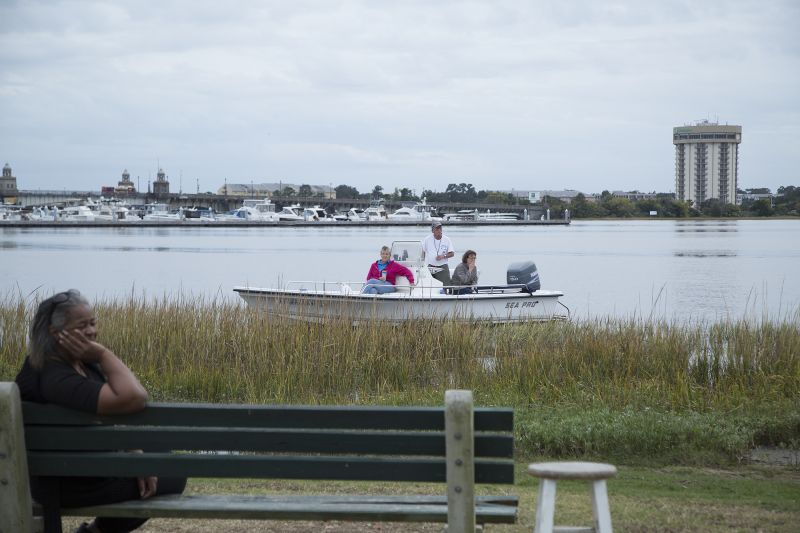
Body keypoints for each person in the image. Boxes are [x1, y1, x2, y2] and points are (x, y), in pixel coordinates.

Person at [15, 289, 186, 533]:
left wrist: (135, 453)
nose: (92, 332)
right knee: (174, 471)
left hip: (78, 471)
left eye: (93, 323)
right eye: (82, 326)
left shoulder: (71, 364)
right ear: (56, 333)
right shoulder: (55, 379)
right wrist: (103, 353)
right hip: (70, 484)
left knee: (162, 458)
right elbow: (135, 397)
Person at [422, 221, 455, 285]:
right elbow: (423, 252)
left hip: (443, 266)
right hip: (431, 266)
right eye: (437, 229)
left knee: (446, 286)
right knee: (428, 285)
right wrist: (422, 264)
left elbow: (452, 253)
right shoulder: (427, 239)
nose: (439, 230)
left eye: (440, 228)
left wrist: (443, 256)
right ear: (432, 231)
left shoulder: (447, 239)